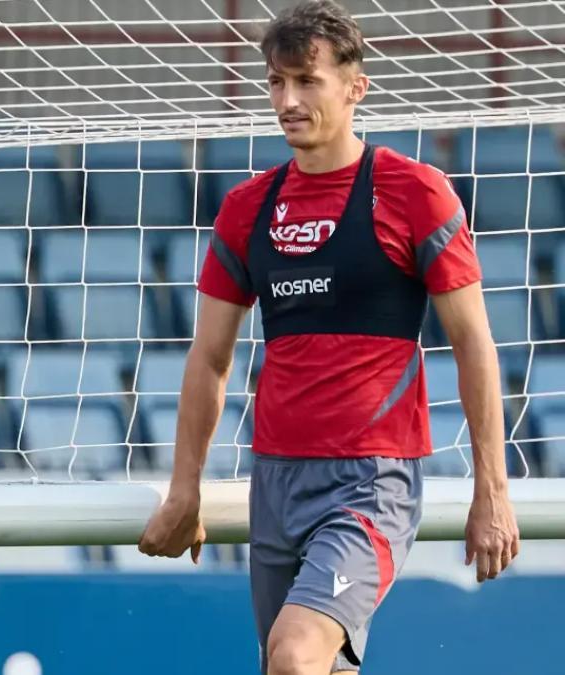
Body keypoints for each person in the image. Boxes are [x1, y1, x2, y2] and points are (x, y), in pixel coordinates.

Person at [136, 2, 520, 674]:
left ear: (355, 85)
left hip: (370, 481)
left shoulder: (415, 193)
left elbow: (473, 344)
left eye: (306, 81)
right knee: (311, 665)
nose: (287, 100)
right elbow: (210, 356)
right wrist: (184, 487)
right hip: (275, 479)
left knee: (293, 655)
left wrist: (494, 490)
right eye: (276, 82)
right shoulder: (247, 208)